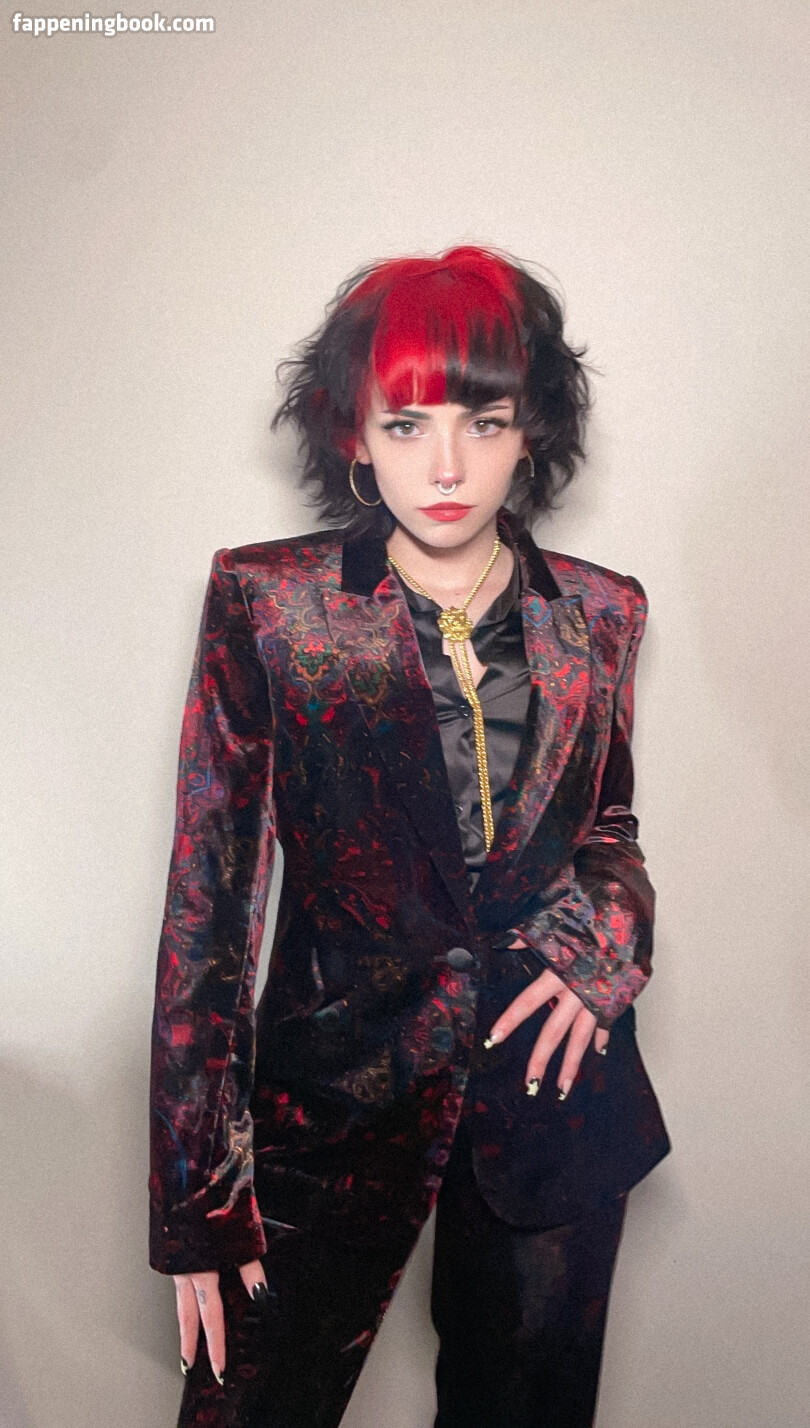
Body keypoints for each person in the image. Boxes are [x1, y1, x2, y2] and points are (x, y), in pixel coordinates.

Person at [149, 244, 670, 1428]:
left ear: (530, 431)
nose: (446, 466)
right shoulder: (269, 606)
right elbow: (208, 915)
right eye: (407, 423)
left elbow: (609, 826)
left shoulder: (602, 612)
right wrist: (197, 1200)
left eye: (483, 423)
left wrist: (608, 942)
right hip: (327, 1102)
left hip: (550, 1095)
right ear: (354, 431)